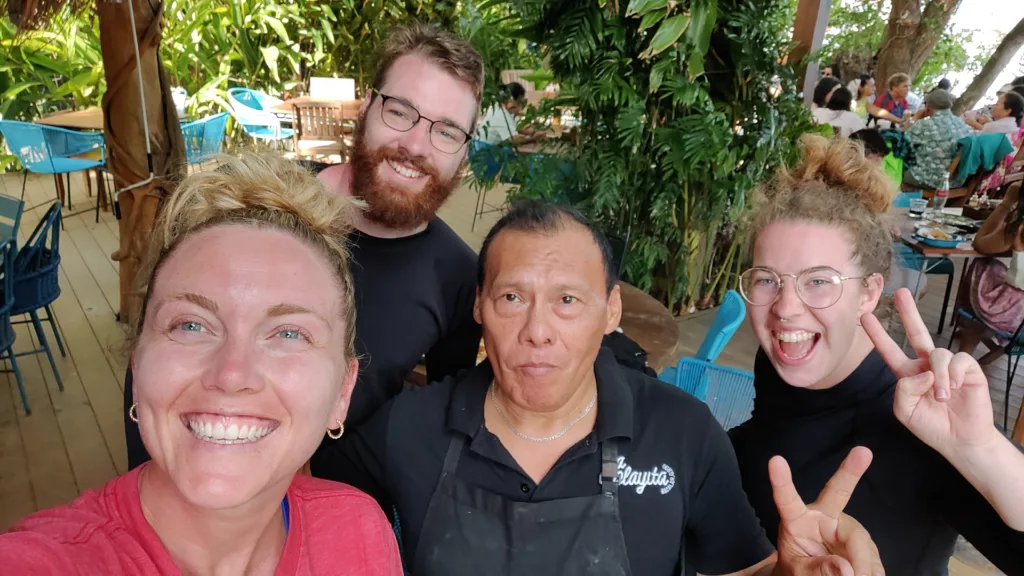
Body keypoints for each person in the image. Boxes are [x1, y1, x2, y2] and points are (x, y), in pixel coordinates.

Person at [317, 199, 886, 576]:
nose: (537, 332)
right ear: (480, 309)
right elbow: (299, 507)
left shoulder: (681, 431)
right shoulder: (409, 426)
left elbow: (741, 569)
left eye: (568, 300)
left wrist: (788, 573)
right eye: (512, 298)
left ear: (610, 311)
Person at [0, 153, 403, 575]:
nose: (231, 375)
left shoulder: (359, 531)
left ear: (343, 392)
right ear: (137, 367)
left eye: (288, 333)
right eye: (191, 325)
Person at [123, 23, 485, 469]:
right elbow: (161, 347)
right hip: (194, 468)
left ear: (463, 153)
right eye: (400, 112)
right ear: (367, 107)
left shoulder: (458, 276)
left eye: (447, 132)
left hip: (337, 496)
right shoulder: (252, 205)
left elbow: (440, 413)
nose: (414, 145)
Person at [729, 135, 1024, 575]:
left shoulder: (929, 426)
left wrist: (981, 450)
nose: (785, 309)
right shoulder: (785, 363)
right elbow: (775, 438)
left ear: (869, 291)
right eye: (767, 279)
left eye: (819, 281)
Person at [957, 182, 1024, 348]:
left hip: (1013, 315)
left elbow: (981, 244)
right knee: (998, 271)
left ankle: (967, 334)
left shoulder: (1020, 228)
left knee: (983, 266)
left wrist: (1006, 204)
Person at [903, 88, 971, 189]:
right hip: (955, 181)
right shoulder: (963, 126)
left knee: (891, 162)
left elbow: (900, 144)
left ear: (928, 106)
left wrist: (915, 118)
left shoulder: (924, 125)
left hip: (928, 180)